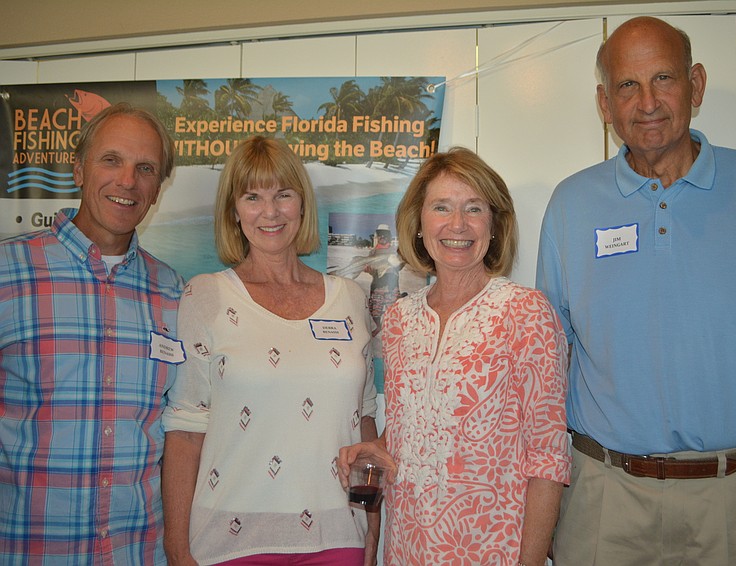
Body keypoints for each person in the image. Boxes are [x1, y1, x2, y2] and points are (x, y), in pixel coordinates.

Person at [536, 16, 736, 566]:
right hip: (604, 499)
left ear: (696, 84)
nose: (647, 102)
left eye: (664, 78)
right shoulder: (570, 205)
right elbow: (547, 362)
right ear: (605, 104)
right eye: (627, 85)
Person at [339, 146, 569, 566]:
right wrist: (376, 449)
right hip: (408, 547)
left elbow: (548, 459)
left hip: (492, 551)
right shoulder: (399, 319)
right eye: (441, 207)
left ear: (494, 225)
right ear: (419, 223)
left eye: (474, 208)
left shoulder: (525, 313)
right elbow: (413, 426)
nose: (457, 224)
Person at [161, 136, 379, 566]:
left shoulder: (350, 298)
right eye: (252, 197)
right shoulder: (206, 296)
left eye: (283, 194)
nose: (270, 211)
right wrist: (177, 547)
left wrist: (372, 523)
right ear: (234, 211)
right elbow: (185, 431)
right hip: (229, 539)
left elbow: (366, 419)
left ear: (302, 204)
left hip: (337, 534)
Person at [0, 103, 183, 564]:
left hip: (138, 553)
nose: (128, 181)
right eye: (111, 160)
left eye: (145, 168)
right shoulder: (7, 273)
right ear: (78, 169)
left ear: (157, 190)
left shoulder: (174, 292)